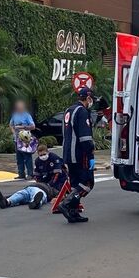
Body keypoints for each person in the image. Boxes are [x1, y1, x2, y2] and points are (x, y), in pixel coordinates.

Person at [58, 87, 96, 223]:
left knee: (75, 184)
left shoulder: (69, 110)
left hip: (68, 153)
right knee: (87, 183)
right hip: (80, 154)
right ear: (88, 98)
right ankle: (66, 204)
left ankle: (73, 213)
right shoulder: (82, 112)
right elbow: (85, 137)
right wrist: (91, 155)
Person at [0, 143, 66, 210]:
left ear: (48, 152)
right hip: (34, 188)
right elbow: (37, 175)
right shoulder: (38, 161)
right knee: (22, 194)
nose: (43, 156)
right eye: (40, 155)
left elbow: (60, 187)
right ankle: (7, 201)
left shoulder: (54, 158)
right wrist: (42, 182)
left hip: (44, 187)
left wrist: (53, 189)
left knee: (23, 195)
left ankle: (9, 201)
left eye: (44, 154)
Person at [9, 100, 35, 179]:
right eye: (18, 107)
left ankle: (30, 174)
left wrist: (23, 127)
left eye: (21, 107)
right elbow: (11, 124)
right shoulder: (15, 115)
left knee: (27, 156)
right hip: (17, 138)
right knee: (19, 157)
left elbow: (33, 126)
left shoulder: (27, 115)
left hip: (25, 139)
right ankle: (21, 174)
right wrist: (13, 133)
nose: (19, 108)